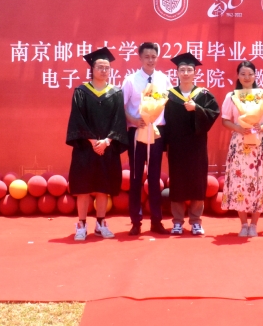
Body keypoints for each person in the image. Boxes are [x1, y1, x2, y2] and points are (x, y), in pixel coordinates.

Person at [65, 47, 129, 241]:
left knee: (104, 187)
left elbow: (119, 120)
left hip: (107, 148)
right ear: (92, 69)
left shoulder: (116, 93)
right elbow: (77, 119)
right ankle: (81, 225)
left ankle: (101, 223)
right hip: (86, 148)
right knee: (83, 187)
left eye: (107, 67)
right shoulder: (81, 92)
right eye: (100, 67)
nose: (103, 70)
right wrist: (93, 141)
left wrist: (107, 141)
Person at [162, 52, 220, 236]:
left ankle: (196, 221)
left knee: (197, 182)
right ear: (177, 73)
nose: (186, 73)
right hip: (177, 146)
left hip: (196, 146)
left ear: (195, 72)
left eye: (189, 70)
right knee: (177, 182)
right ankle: (177, 222)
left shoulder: (203, 94)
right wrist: (165, 144)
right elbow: (163, 121)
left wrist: (197, 108)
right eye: (182, 70)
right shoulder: (169, 96)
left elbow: (213, 113)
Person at [220, 61, 263, 237]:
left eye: (250, 74)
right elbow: (225, 120)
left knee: (258, 181)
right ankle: (243, 224)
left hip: (258, 143)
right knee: (240, 182)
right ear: (238, 76)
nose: (247, 77)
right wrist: (238, 128)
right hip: (239, 143)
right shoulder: (232, 96)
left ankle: (254, 224)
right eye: (243, 74)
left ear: (255, 76)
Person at [122, 42, 173, 236]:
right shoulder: (130, 80)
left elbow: (169, 105)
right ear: (140, 58)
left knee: (154, 178)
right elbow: (121, 106)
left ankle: (156, 221)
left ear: (157, 57)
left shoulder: (163, 79)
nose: (150, 60)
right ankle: (136, 221)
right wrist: (133, 119)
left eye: (153, 56)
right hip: (137, 133)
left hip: (157, 134)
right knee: (136, 178)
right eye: (147, 57)